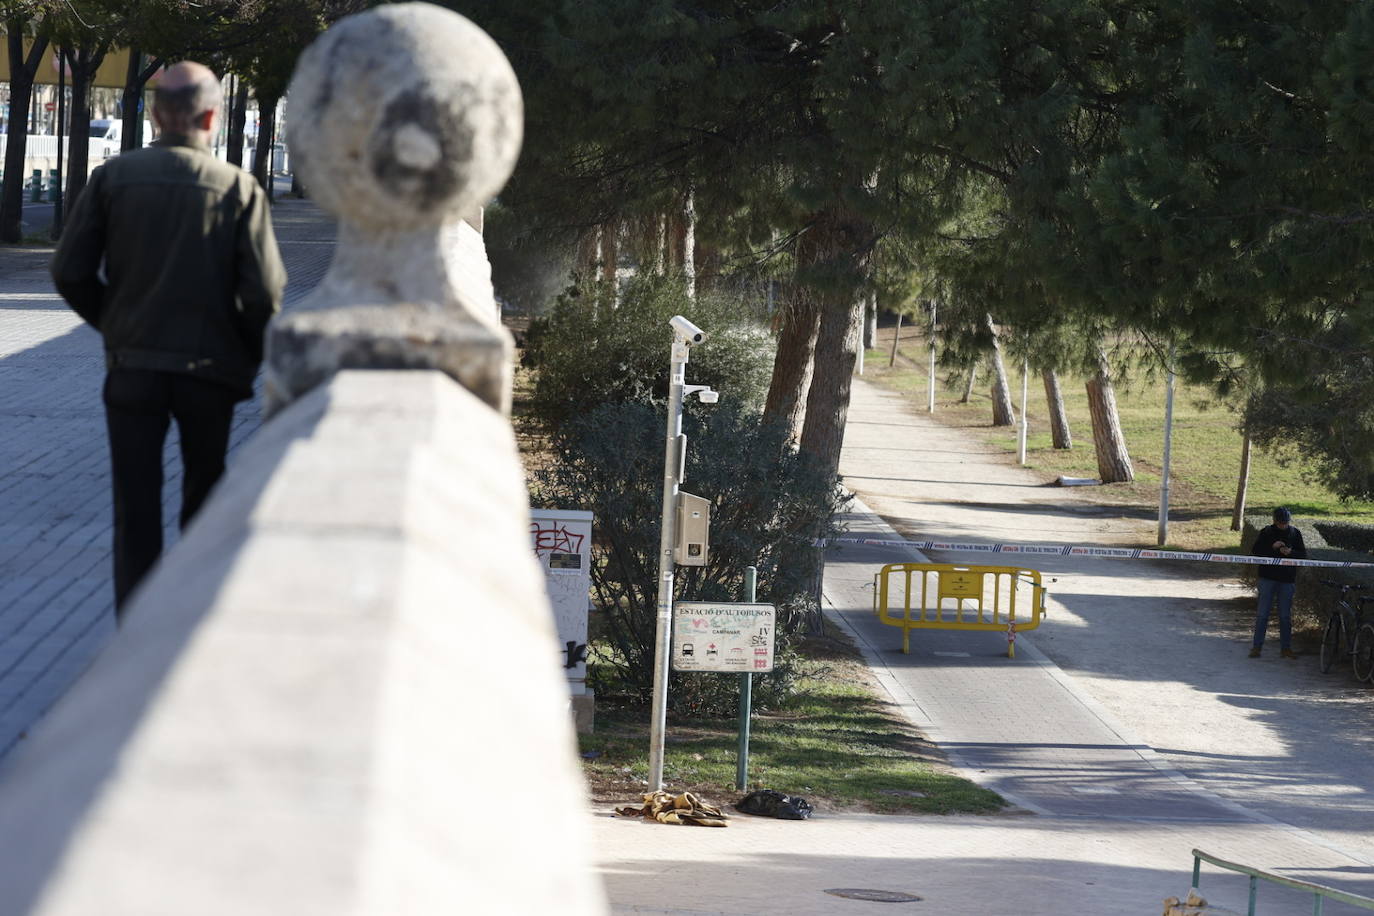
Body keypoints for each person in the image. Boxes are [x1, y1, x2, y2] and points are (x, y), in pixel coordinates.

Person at [51, 61, 286, 618]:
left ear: (156, 115)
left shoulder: (112, 179)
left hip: (132, 370)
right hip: (209, 374)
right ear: (211, 115)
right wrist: (243, 357)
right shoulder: (238, 189)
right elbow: (265, 296)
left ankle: (134, 629)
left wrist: (116, 325)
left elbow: (70, 271)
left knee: (135, 509)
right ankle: (190, 620)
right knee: (204, 501)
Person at [1249, 506, 1307, 658]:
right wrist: (1272, 547)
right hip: (1267, 579)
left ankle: (1286, 649)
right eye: (1280, 522)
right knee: (1262, 615)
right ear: (1274, 520)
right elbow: (1255, 552)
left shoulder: (1295, 533)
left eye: (1285, 523)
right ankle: (1257, 647)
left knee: (1285, 616)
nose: (1283, 525)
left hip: (1287, 581)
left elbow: (1303, 555)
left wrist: (1291, 553)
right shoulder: (1266, 532)